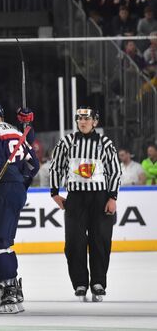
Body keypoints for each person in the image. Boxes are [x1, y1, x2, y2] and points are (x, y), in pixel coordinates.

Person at [49, 106, 121, 302]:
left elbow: (114, 170)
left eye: (86, 119)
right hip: (75, 198)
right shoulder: (67, 142)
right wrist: (55, 193)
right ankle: (80, 283)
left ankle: (98, 282)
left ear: (95, 122)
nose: (82, 122)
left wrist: (113, 197)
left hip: (100, 198)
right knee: (74, 242)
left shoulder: (105, 142)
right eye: (79, 118)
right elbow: (56, 167)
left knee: (100, 241)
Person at [0, 101, 38, 314]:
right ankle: (13, 291)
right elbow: (34, 165)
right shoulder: (14, 130)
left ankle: (9, 294)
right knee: (5, 241)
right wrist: (21, 182)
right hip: (17, 188)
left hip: (1, 188)